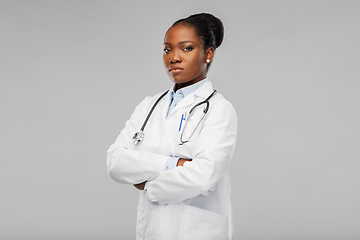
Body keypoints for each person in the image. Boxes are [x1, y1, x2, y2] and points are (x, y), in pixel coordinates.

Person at [107, 13, 237, 240]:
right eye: (167, 49)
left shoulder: (219, 109)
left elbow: (204, 176)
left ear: (208, 54)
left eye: (186, 48)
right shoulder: (149, 105)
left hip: (196, 231)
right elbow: (115, 162)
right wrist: (173, 163)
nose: (173, 58)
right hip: (151, 229)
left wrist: (148, 186)